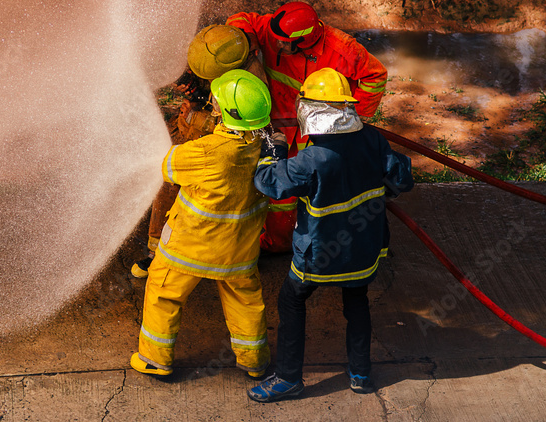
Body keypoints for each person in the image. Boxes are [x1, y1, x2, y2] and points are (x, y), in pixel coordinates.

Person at [246, 68, 414, 402]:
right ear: (346, 107)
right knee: (356, 301)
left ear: (310, 110)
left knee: (291, 301)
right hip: (365, 250)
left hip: (320, 254)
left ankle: (289, 379)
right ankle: (360, 374)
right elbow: (402, 177)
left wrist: (273, 151)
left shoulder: (310, 160)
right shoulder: (372, 140)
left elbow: (269, 183)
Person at [131, 69, 272, 380]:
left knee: (162, 293)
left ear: (225, 112)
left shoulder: (205, 151)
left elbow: (168, 167)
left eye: (216, 103)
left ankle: (155, 359)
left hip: (189, 248)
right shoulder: (266, 146)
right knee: (246, 302)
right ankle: (254, 361)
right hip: (239, 251)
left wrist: (193, 130)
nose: (213, 104)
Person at [227, 2, 388, 253]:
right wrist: (251, 50)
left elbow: (375, 75)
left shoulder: (341, 49)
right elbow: (240, 18)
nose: (276, 44)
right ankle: (277, 235)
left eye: (283, 43)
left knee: (291, 190)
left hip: (314, 133)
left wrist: (356, 120)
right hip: (272, 123)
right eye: (275, 39)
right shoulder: (275, 30)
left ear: (303, 40)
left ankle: (280, 243)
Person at [131, 24, 266, 278]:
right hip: (203, 126)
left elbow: (246, 129)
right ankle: (155, 246)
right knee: (169, 172)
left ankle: (162, 251)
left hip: (222, 145)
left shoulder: (252, 81)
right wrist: (194, 92)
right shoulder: (222, 45)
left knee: (174, 174)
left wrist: (201, 119)